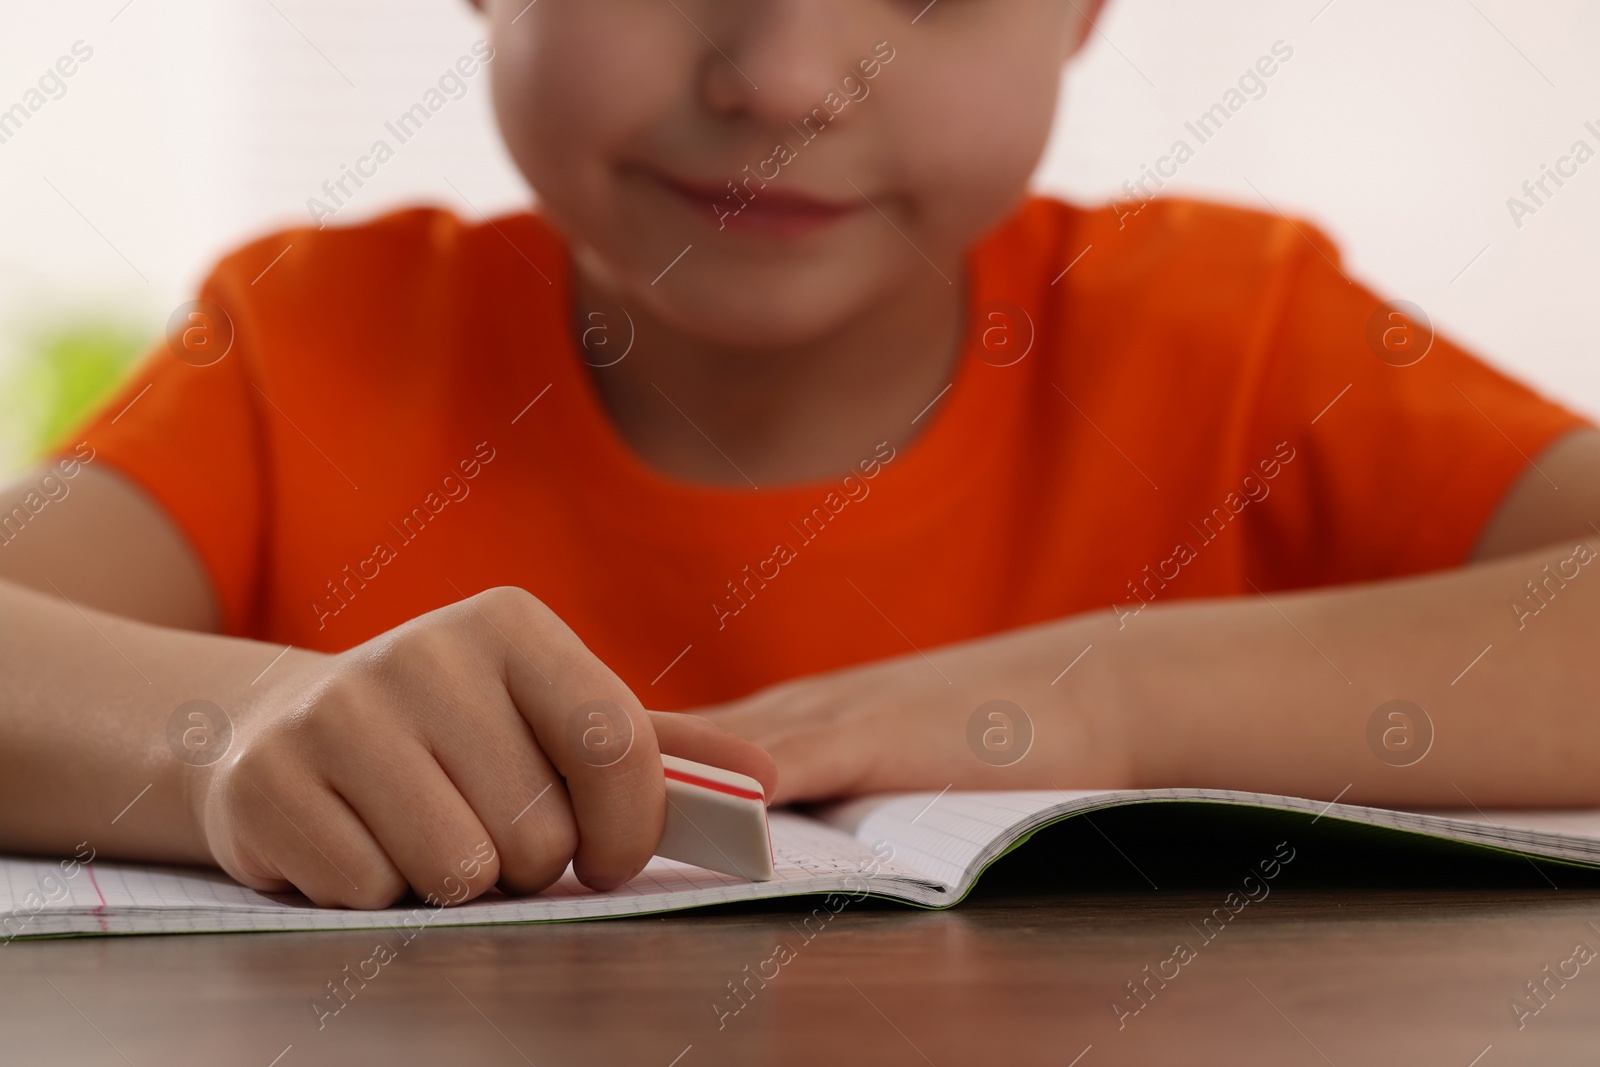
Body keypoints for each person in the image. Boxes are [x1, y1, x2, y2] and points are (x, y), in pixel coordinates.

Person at [1, 0, 1596, 910]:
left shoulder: (1247, 340)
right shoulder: (311, 342)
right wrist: (230, 731)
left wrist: (1106, 697)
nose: (776, 81)